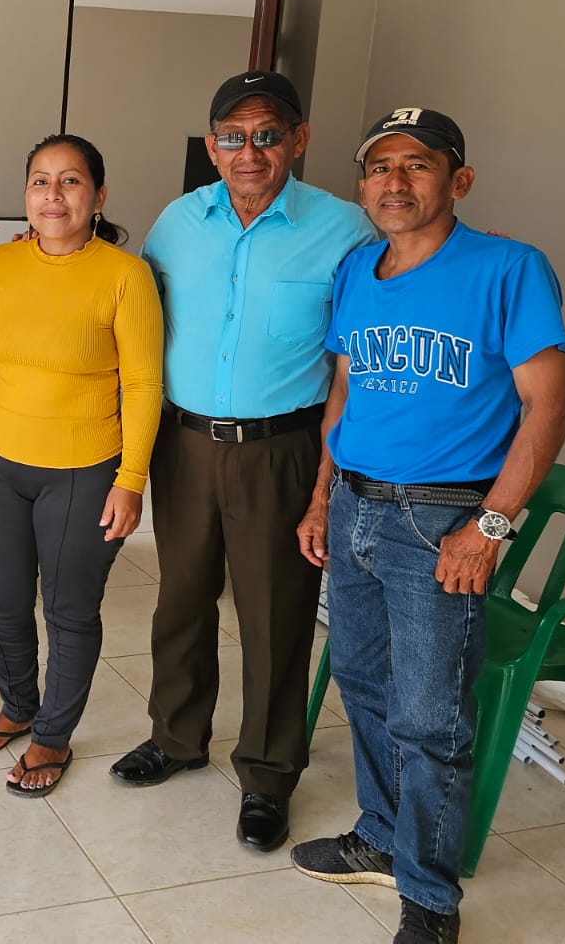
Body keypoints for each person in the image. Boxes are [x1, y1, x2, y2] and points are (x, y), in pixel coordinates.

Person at [291, 109, 565, 944]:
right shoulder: (357, 269)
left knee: (432, 717)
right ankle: (381, 835)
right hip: (355, 506)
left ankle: (430, 898)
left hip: (442, 517)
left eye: (417, 164)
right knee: (364, 685)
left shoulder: (509, 268)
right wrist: (321, 497)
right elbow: (345, 392)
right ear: (362, 185)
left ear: (460, 180)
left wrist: (490, 528)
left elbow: (548, 408)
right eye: (379, 166)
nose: (395, 180)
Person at [109, 71, 377, 851]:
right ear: (211, 144)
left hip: (281, 450)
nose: (249, 151)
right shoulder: (177, 222)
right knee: (181, 600)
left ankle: (268, 774)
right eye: (233, 136)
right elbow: (134, 317)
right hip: (185, 444)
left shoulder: (345, 230)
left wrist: (327, 484)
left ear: (298, 140)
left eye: (268, 135)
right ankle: (177, 737)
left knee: (275, 616)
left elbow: (356, 363)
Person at [0, 134, 162, 796]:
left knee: (69, 610)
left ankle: (52, 734)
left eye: (70, 181)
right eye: (40, 181)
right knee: (1, 599)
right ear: (26, 195)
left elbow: (143, 385)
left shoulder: (125, 276)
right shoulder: (0, 264)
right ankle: (18, 705)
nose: (54, 194)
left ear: (98, 197)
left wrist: (131, 481)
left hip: (84, 470)